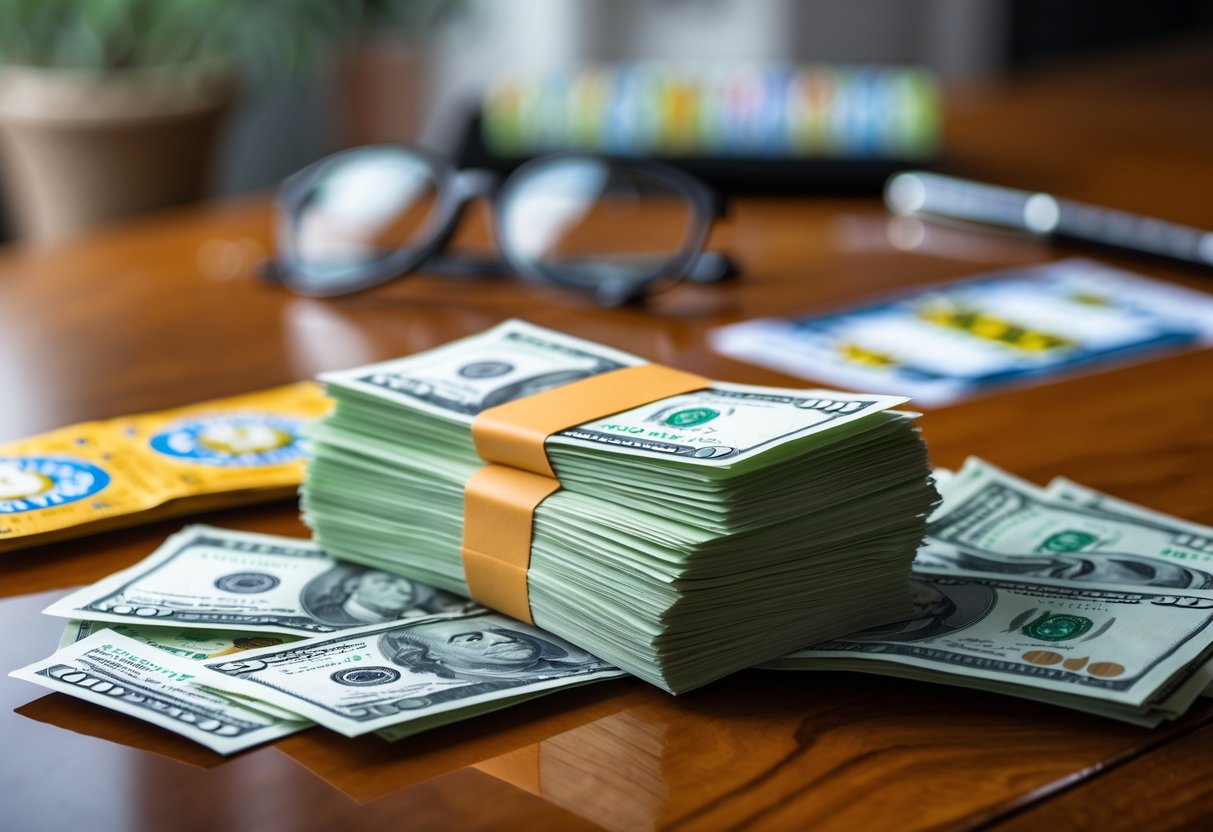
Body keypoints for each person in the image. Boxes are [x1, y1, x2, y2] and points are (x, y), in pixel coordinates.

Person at [379, 617, 595, 682]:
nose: (502, 638)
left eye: (497, 631)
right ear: (433, 654)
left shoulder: (579, 657)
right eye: (472, 639)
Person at [307, 567, 433, 626]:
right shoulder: (323, 617)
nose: (407, 590)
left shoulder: (413, 623)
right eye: (388, 582)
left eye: (410, 583)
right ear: (353, 586)